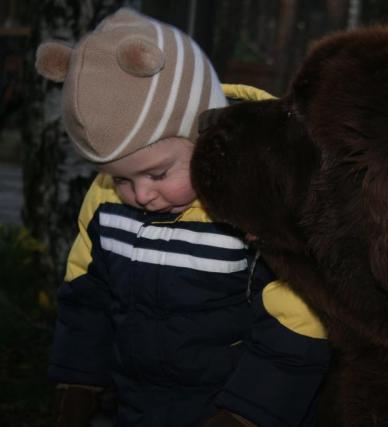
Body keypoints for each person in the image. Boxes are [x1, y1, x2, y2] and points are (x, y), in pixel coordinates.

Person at [35, 8, 330, 427]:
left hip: (231, 405)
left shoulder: (258, 204)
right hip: (134, 407)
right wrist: (77, 382)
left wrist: (248, 412)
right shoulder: (104, 203)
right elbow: (86, 298)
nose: (140, 194)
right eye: (120, 178)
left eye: (157, 173)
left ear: (205, 136)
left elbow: (298, 319)